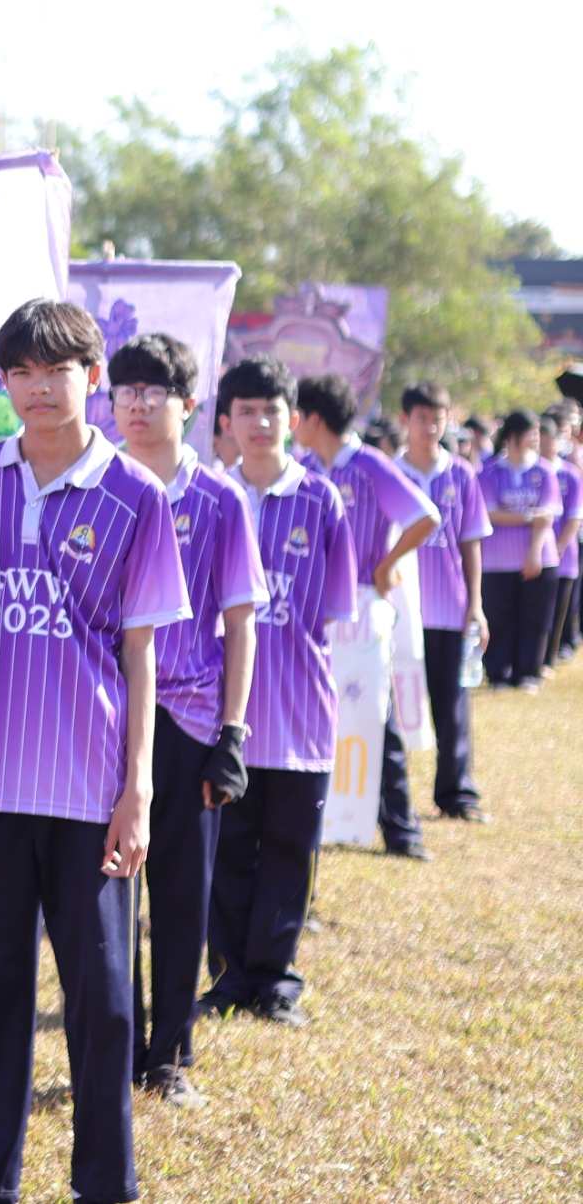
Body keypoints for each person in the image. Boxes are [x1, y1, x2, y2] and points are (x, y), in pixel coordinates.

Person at [0, 299, 187, 1204]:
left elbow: (140, 651)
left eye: (57, 370)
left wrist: (139, 788)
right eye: (21, 371)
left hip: (89, 788)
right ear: (4, 380)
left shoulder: (137, 496)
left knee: (105, 998)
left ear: (93, 377)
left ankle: (105, 1183)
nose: (38, 387)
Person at [107, 334, 264, 1110]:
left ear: (190, 404)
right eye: (126, 391)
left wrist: (232, 734)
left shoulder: (221, 500)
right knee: (108, 896)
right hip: (108, 717)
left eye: (155, 391)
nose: (138, 405)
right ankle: (111, 1048)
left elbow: (241, 622)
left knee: (180, 896)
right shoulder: (100, 487)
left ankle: (167, 1055)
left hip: (192, 719)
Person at [203, 357, 357, 1027]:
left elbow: (332, 610)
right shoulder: (210, 496)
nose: (260, 423)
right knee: (227, 851)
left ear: (292, 419)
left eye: (272, 410)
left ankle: (275, 980)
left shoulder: (321, 500)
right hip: (223, 717)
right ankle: (228, 977)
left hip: (300, 716)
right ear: (226, 421)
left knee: (290, 853)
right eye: (246, 411)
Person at [289, 373, 439, 861]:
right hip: (313, 609)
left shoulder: (370, 465)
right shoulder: (304, 467)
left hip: (361, 607)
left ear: (314, 418)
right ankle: (315, 820)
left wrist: (386, 564)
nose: (291, 423)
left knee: (375, 714)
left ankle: (401, 829)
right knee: (312, 713)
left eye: (296, 413)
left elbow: (425, 516)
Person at [396, 383, 492, 823]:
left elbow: (470, 541)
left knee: (452, 708)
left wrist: (476, 603)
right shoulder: (389, 473)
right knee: (391, 709)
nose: (431, 427)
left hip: (449, 609)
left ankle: (457, 794)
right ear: (405, 420)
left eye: (438, 419)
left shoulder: (461, 474)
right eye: (422, 418)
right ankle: (388, 799)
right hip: (400, 612)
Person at [477, 412, 559, 690]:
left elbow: (547, 516)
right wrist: (528, 516)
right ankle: (498, 673)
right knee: (500, 618)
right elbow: (490, 513)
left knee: (534, 618)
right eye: (531, 432)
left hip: (538, 557)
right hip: (497, 560)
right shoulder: (489, 471)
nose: (537, 438)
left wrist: (534, 553)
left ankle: (528, 673)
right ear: (513, 435)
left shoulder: (544, 471)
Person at [535, 411, 582, 677]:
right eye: (539, 440)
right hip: (535, 554)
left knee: (559, 609)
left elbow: (575, 516)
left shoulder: (570, 473)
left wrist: (560, 545)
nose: (543, 446)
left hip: (564, 554)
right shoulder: (533, 471)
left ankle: (550, 657)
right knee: (537, 610)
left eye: (548, 441)